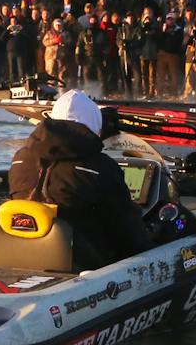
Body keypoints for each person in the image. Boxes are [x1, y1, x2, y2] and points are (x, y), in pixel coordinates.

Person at [8, 89, 152, 269]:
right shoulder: (100, 166)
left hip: (19, 258)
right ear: (95, 128)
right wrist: (150, 241)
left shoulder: (20, 158)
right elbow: (127, 231)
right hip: (81, 266)